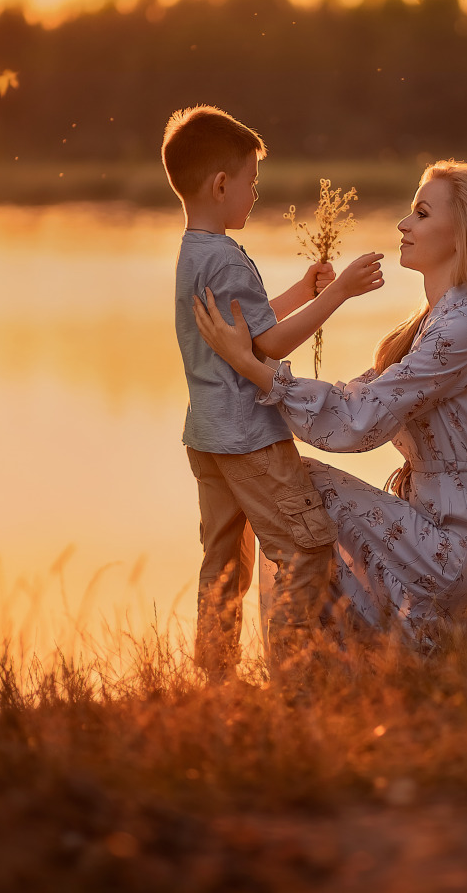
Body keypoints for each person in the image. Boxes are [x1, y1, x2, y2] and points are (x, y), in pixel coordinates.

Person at [193, 160, 467, 657]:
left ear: (464, 234)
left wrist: (252, 367)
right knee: (290, 488)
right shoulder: (435, 321)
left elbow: (360, 420)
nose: (403, 224)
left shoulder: (464, 325)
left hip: (465, 545)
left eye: (420, 214)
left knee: (293, 484)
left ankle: (302, 672)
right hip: (444, 529)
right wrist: (266, 351)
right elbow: (363, 394)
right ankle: (334, 664)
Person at [165, 105, 386, 683]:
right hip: (248, 436)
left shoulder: (195, 252)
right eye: (251, 183)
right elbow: (272, 346)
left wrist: (298, 291)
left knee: (222, 563)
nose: (254, 195)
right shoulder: (228, 257)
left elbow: (251, 332)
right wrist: (337, 292)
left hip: (207, 435)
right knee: (304, 547)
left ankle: (215, 680)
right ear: (220, 185)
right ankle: (293, 681)